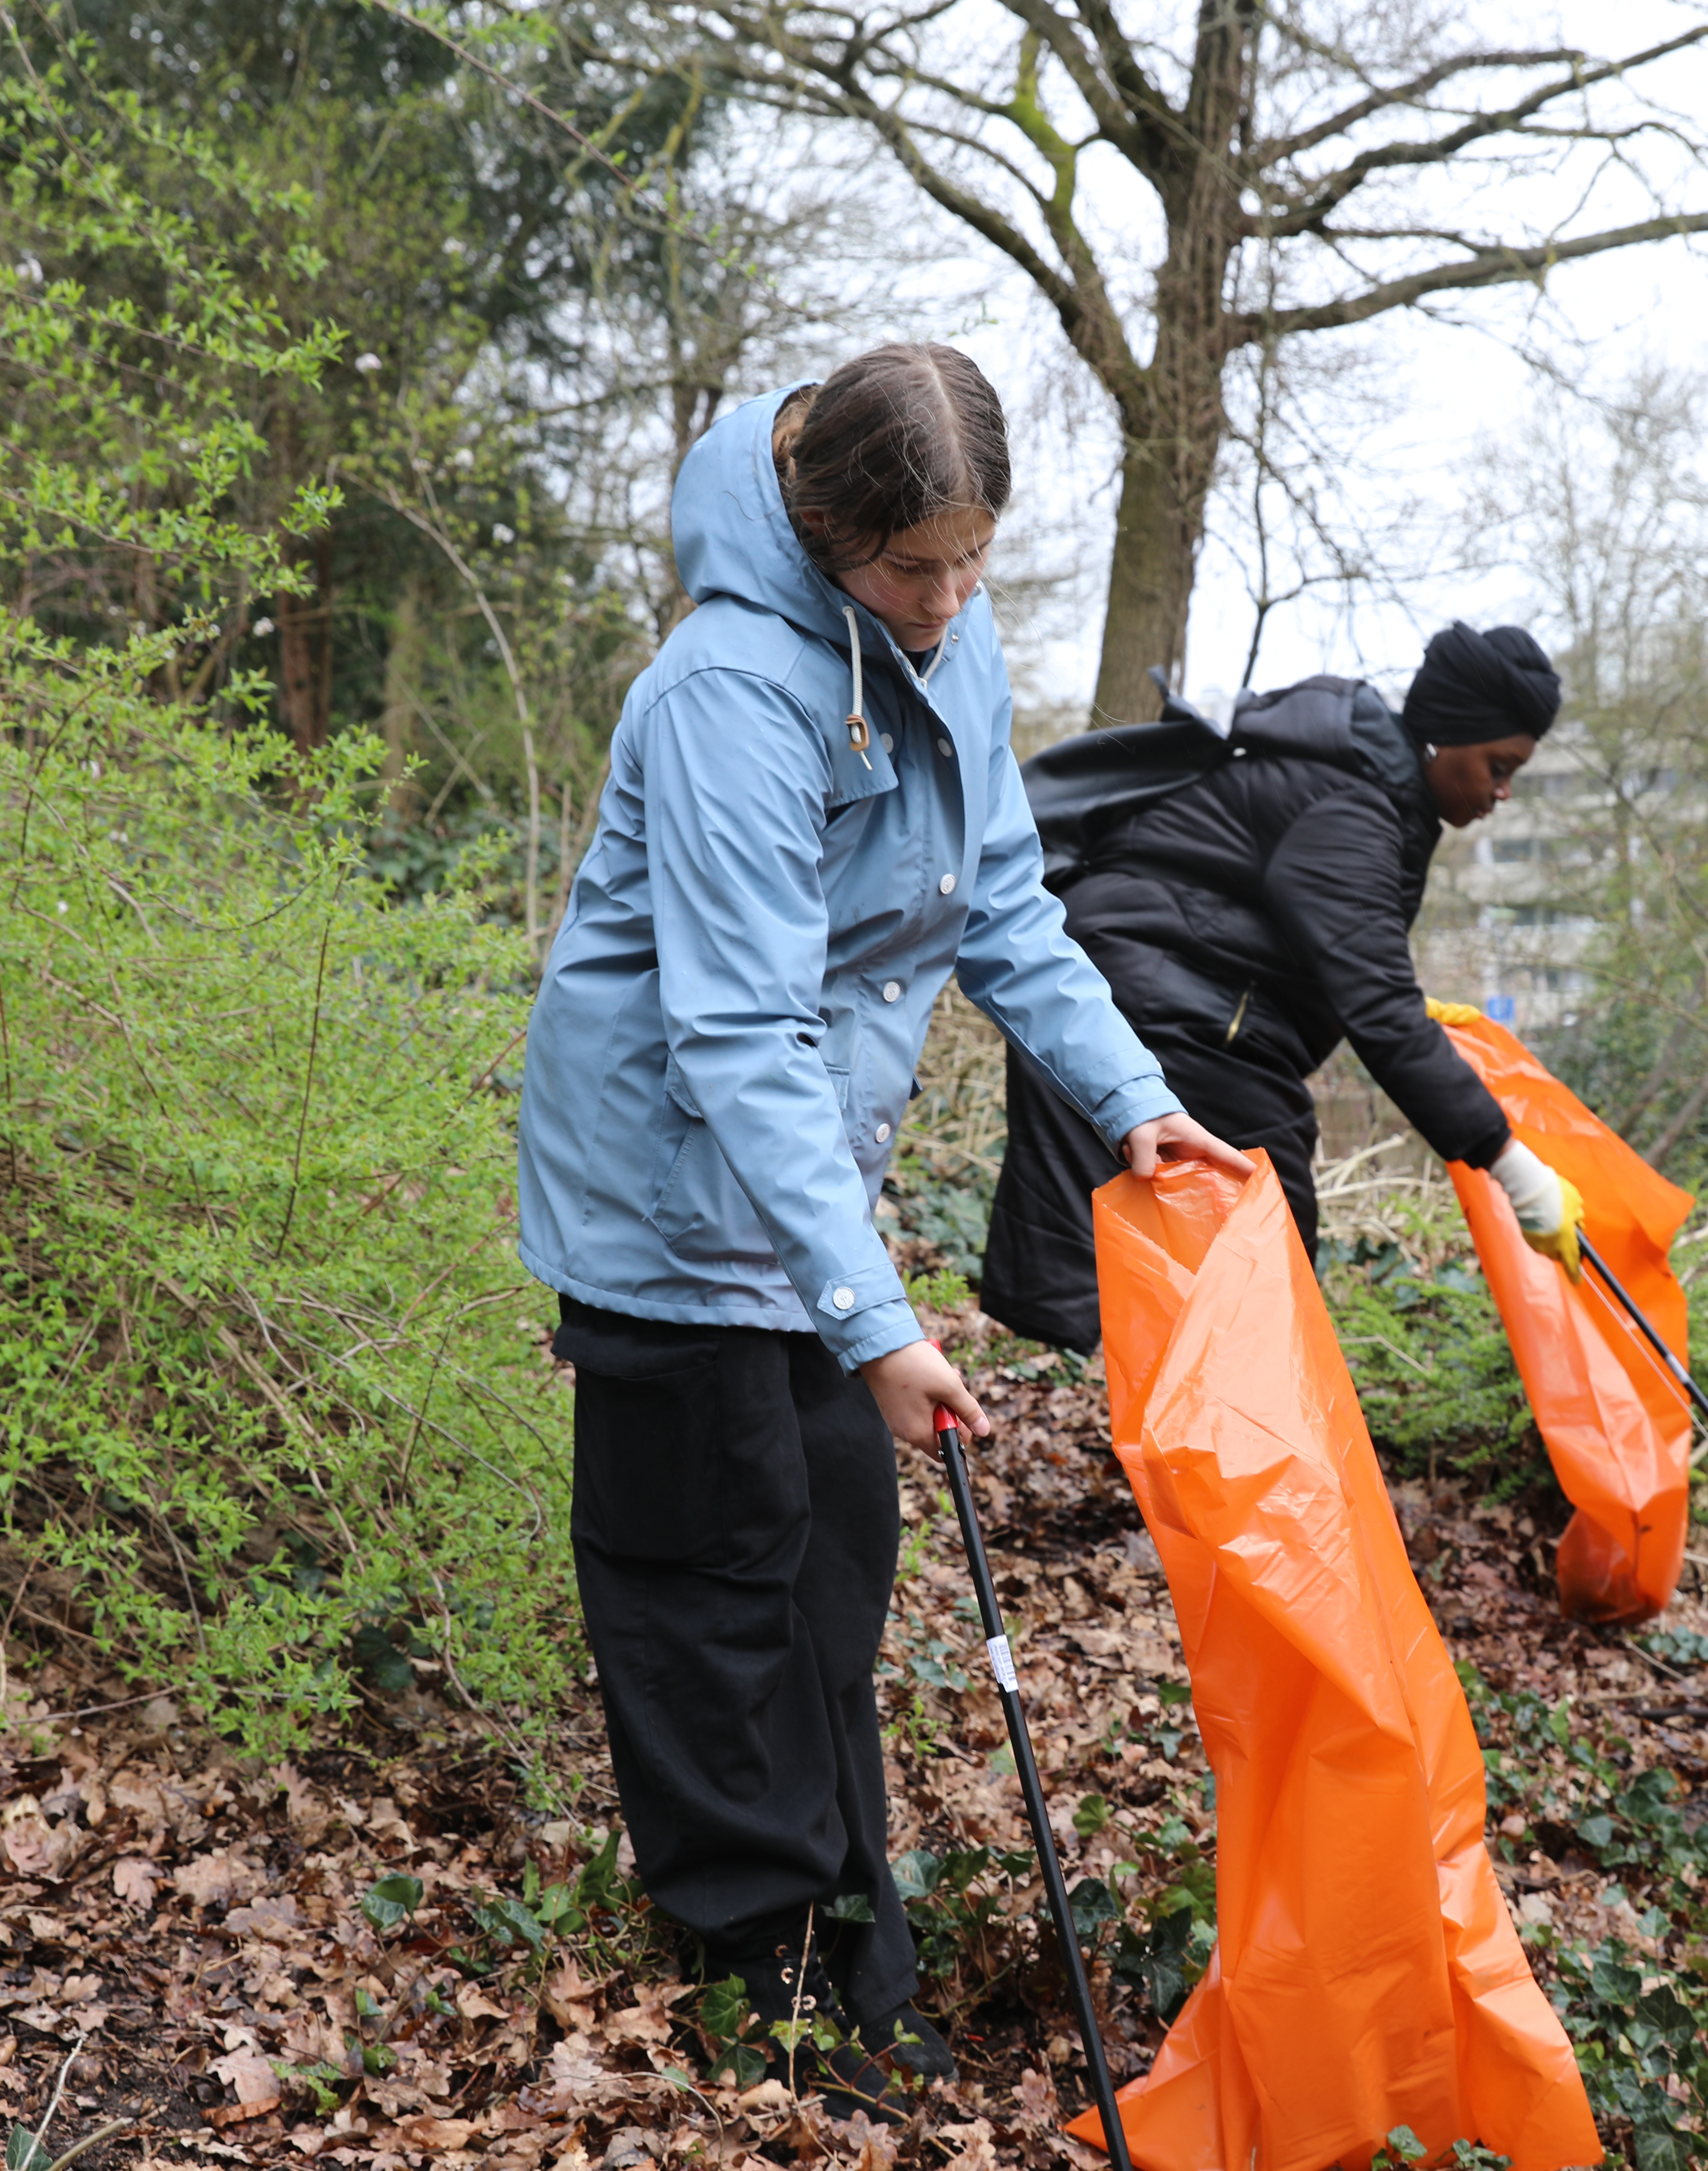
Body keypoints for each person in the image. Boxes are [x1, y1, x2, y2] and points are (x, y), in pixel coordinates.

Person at [516, 344, 1246, 2114]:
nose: (944, 601)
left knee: (835, 1568)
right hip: (673, 1192)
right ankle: (754, 1978)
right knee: (717, 1585)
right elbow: (736, 1038)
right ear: (819, 523)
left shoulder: (947, 640)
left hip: (806, 1183)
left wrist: (1134, 1100)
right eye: (911, 569)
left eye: (970, 561)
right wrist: (877, 1319)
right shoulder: (724, 696)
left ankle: (858, 1954)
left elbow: (1004, 905)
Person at [978, 623, 1587, 1351]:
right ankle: (1210, 1454)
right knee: (1265, 1276)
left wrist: (1389, 998)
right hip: (1164, 1008)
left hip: (1175, 997)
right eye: (1498, 765)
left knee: (1237, 1286)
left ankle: (1188, 1446)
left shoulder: (1364, 791)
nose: (1503, 792)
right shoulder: (1353, 810)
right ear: (1444, 740)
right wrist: (1513, 1169)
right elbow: (1380, 1013)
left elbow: (1309, 937)